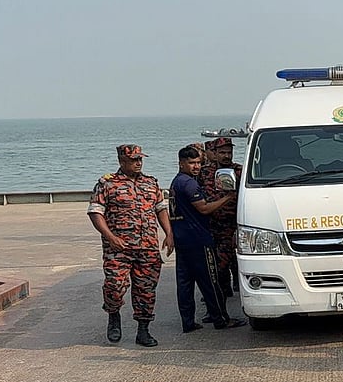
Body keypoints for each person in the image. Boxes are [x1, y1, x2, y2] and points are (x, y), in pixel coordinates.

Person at [87, 144, 174, 347]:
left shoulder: (151, 183)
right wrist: (110, 237)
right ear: (121, 161)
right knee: (114, 286)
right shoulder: (107, 184)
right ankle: (113, 314)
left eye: (140, 159)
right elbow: (95, 212)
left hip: (148, 247)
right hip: (119, 248)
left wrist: (169, 233)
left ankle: (143, 331)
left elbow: (161, 209)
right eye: (134, 160)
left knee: (146, 290)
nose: (138, 163)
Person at [169, 145, 244, 332]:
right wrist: (228, 197)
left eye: (198, 163)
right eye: (191, 163)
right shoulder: (189, 184)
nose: (196, 166)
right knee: (211, 280)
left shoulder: (176, 182)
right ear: (181, 163)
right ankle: (220, 319)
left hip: (182, 238)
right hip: (198, 239)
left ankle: (187, 322)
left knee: (185, 283)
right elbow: (204, 208)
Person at [200, 137, 242, 297]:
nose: (226, 156)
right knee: (212, 267)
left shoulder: (239, 171)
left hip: (230, 226)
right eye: (222, 152)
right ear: (215, 153)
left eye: (229, 152)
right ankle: (222, 296)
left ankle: (223, 297)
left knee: (223, 264)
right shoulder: (205, 172)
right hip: (210, 225)